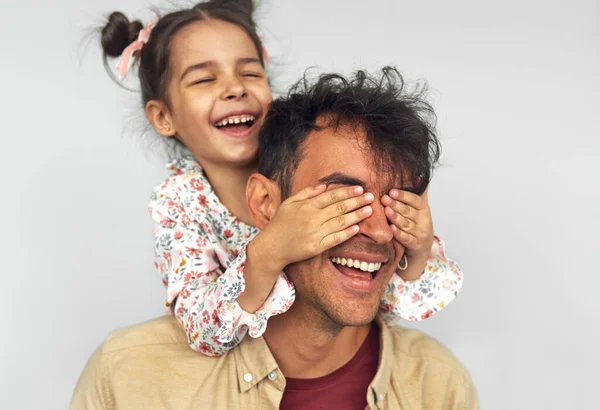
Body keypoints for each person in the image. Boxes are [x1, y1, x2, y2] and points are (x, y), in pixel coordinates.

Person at [71, 67, 477, 410]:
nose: (379, 231)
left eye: (396, 206)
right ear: (264, 203)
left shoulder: (440, 387)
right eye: (343, 200)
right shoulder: (127, 378)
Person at [99, 0, 463, 357]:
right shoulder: (180, 202)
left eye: (251, 73)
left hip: (325, 355)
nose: (235, 88)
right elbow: (200, 328)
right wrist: (271, 250)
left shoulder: (306, 160)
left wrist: (415, 248)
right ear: (164, 117)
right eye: (205, 79)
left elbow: (387, 298)